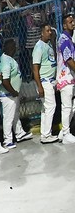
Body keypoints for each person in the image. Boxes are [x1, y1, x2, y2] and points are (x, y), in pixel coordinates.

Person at [0, 38, 33, 147]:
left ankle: (19, 133)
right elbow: (5, 80)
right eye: (14, 46)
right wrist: (13, 92)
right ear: (10, 48)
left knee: (15, 114)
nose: (16, 49)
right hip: (8, 94)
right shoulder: (6, 61)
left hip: (13, 93)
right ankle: (7, 140)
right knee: (8, 117)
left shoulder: (9, 59)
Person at [32, 24, 59, 143]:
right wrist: (40, 86)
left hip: (50, 81)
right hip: (44, 82)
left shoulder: (48, 45)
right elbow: (35, 68)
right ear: (42, 33)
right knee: (51, 106)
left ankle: (44, 133)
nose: (50, 33)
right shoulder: (39, 47)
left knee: (45, 108)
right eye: (47, 31)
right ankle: (46, 135)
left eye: (50, 31)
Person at [55, 13, 75, 144]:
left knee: (72, 106)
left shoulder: (69, 39)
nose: (73, 23)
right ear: (64, 25)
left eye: (73, 21)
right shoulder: (64, 39)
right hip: (65, 78)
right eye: (70, 22)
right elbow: (68, 60)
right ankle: (66, 133)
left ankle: (63, 132)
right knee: (67, 107)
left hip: (70, 77)